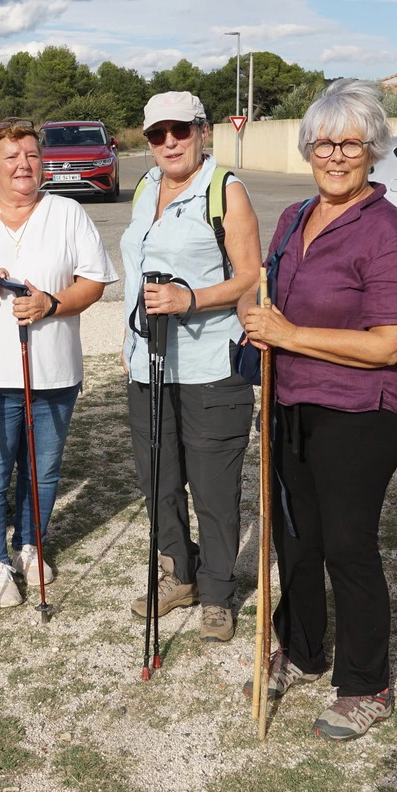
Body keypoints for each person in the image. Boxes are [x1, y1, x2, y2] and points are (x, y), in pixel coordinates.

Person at [237, 79, 397, 740]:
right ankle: (304, 646)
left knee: (347, 544)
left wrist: (290, 335)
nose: (336, 155)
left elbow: (391, 344)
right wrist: (257, 319)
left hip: (360, 412)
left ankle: (366, 683)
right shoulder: (293, 218)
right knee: (296, 537)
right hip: (290, 404)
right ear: (308, 148)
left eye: (351, 143)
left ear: (373, 149)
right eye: (324, 142)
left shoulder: (392, 234)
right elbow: (267, 293)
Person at [0, 119, 117, 607]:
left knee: (42, 470)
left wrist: (50, 304)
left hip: (52, 370)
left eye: (31, 155)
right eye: (10, 157)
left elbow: (93, 281)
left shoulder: (68, 213)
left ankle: (29, 544)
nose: (23, 165)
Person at [120, 91, 261, 643]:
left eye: (181, 131)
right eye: (158, 134)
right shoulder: (144, 188)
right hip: (147, 364)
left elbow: (252, 276)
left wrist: (191, 300)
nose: (170, 143)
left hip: (209, 367)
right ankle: (178, 572)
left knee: (213, 490)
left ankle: (219, 591)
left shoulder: (226, 190)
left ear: (203, 132)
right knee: (157, 481)